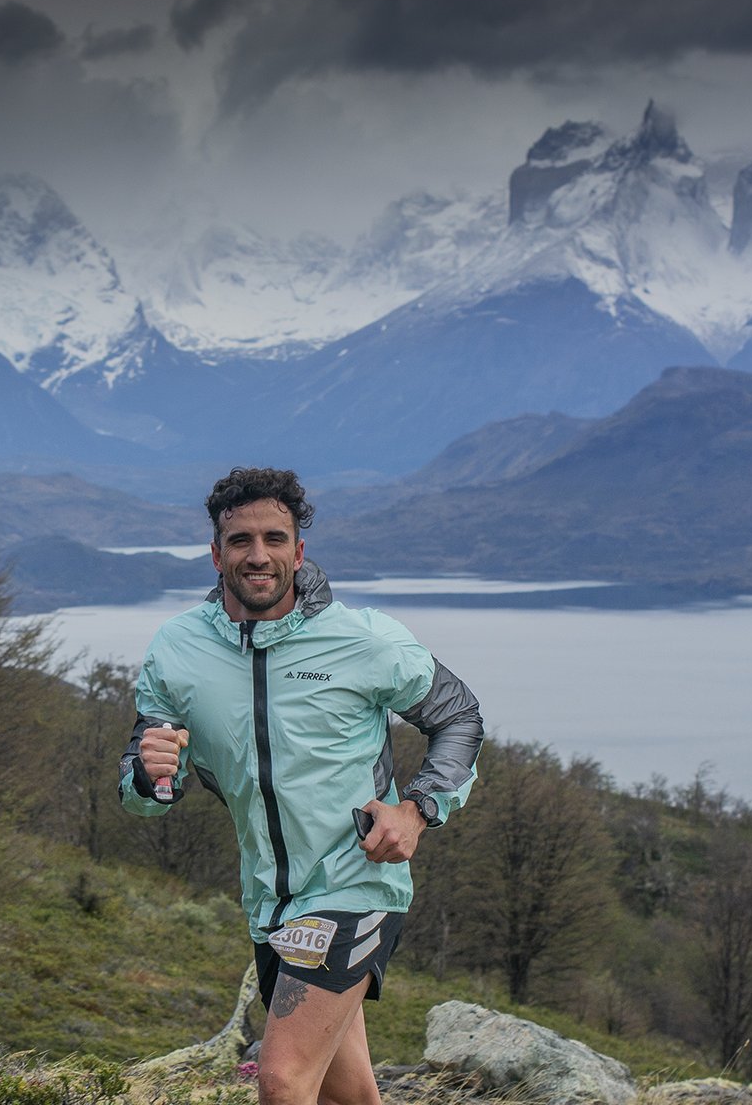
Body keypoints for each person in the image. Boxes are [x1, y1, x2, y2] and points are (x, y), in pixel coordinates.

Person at [119, 466, 483, 1105]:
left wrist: (417, 808)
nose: (258, 556)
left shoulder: (363, 639)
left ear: (298, 550)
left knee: (283, 1079)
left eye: (274, 539)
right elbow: (144, 781)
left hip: (355, 882)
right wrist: (150, 777)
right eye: (240, 540)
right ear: (216, 554)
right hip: (268, 900)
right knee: (348, 1095)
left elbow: (459, 717)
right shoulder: (177, 649)